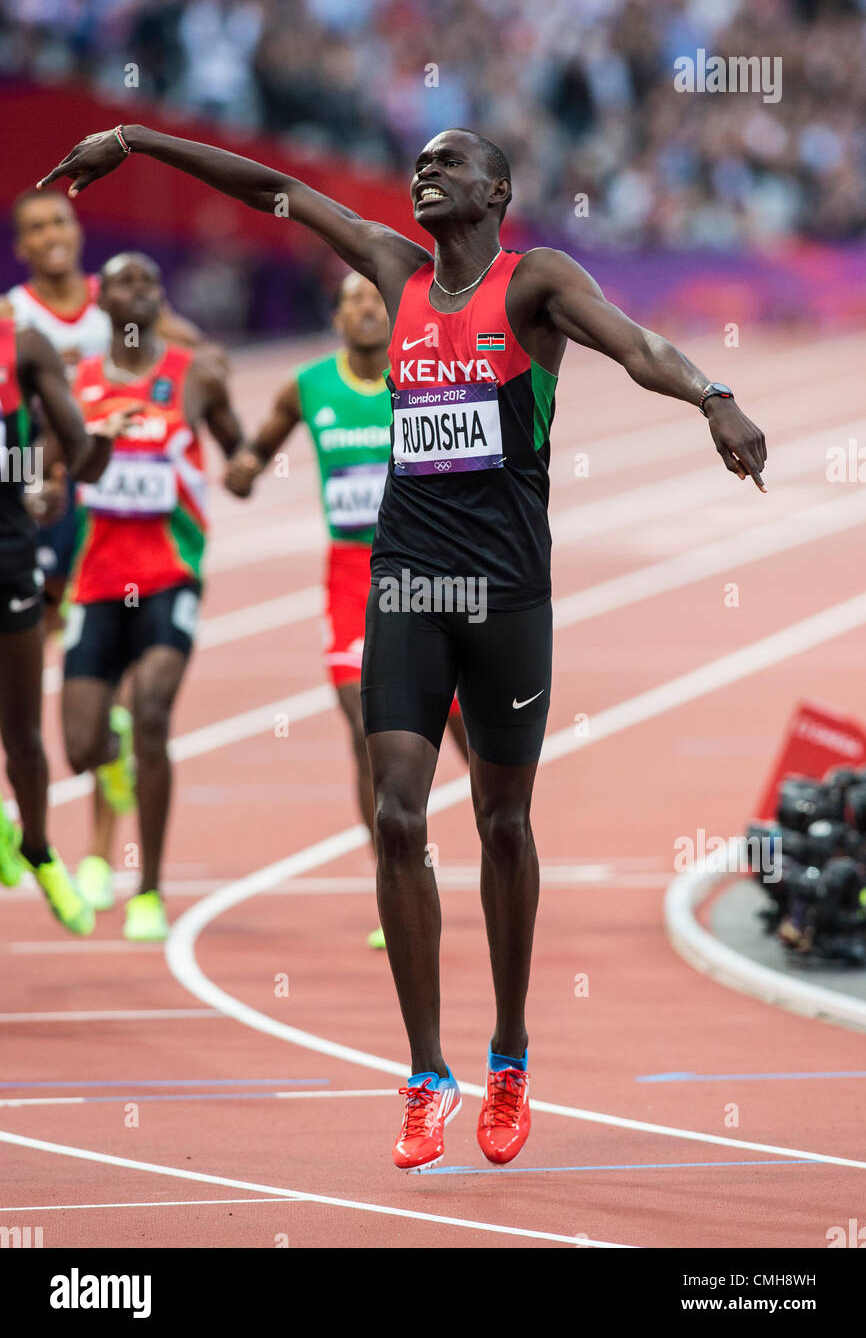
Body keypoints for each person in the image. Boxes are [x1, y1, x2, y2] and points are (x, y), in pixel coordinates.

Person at [39, 124, 767, 1167]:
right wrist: (132, 140)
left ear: (496, 193)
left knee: (502, 820)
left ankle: (509, 1050)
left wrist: (714, 396)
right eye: (419, 162)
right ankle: (427, 1071)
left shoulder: (534, 284)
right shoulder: (392, 268)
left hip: (508, 594)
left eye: (449, 163)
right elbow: (275, 188)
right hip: (407, 581)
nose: (425, 173)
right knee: (393, 811)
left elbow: (635, 343)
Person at [223, 271, 467, 949]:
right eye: (351, 300)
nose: (366, 308)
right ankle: (397, 877)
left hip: (431, 570)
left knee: (468, 734)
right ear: (334, 318)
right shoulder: (308, 387)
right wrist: (240, 468)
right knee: (371, 733)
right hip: (352, 578)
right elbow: (251, 457)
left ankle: (501, 849)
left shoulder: (423, 372)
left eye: (375, 299)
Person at [1, 188, 206, 909]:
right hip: (42, 494)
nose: (52, 234)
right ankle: (71, 778)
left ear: (77, 230)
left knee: (104, 668)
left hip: (112, 509)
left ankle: (96, 851)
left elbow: (195, 354)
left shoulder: (112, 300)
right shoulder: (16, 317)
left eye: (60, 220)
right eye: (35, 228)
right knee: (40, 657)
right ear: (21, 246)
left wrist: (169, 399)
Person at [59, 252, 244, 941]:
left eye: (149, 283)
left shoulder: (192, 375)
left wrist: (249, 465)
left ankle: (150, 891)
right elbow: (59, 476)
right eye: (123, 284)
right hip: (97, 580)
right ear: (101, 301)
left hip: (169, 574)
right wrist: (60, 481)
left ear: (160, 301)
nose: (138, 292)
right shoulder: (76, 383)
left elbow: (238, 448)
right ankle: (111, 769)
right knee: (80, 745)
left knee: (155, 712)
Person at [0, 313, 136, 932]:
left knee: (23, 734)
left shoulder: (23, 347)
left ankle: (37, 846)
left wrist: (95, 442)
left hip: (9, 560)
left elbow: (74, 460)